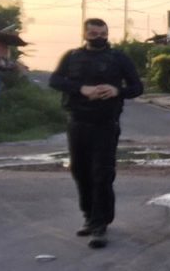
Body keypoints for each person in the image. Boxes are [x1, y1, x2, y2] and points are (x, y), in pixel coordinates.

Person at [49, 19, 143, 248]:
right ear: (84, 34)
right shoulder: (71, 57)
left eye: (102, 33)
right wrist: (82, 89)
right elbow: (55, 80)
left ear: (108, 34)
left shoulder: (118, 57)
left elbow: (137, 87)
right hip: (78, 122)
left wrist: (116, 91)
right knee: (80, 172)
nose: (98, 36)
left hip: (106, 124)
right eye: (93, 33)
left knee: (101, 173)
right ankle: (89, 217)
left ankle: (100, 225)